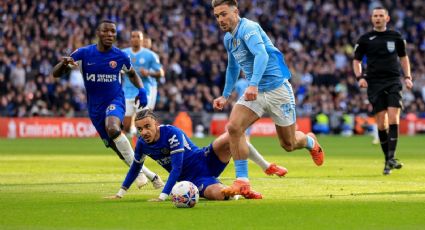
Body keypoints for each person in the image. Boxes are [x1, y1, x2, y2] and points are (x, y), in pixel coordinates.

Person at [211, 0, 325, 197]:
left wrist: (253, 84)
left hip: (277, 90)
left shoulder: (249, 28)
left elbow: (261, 55)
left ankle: (309, 142)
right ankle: (242, 181)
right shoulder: (228, 39)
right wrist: (225, 94)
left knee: (288, 144)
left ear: (235, 11)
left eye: (223, 14)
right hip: (255, 91)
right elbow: (232, 67)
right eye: (217, 16)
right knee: (234, 128)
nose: (220, 19)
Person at [52, 20, 163, 189]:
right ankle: (150, 175)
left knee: (113, 128)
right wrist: (63, 65)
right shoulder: (83, 53)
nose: (110, 34)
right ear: (98, 33)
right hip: (95, 109)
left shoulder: (120, 56)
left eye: (113, 32)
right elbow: (56, 73)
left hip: (115, 101)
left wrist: (141, 90)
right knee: (117, 148)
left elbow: (132, 74)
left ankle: (139, 174)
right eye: (106, 31)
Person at [106, 109, 287, 201]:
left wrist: (163, 196)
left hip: (205, 158)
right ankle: (239, 193)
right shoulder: (142, 145)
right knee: (217, 194)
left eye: (147, 127)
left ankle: (266, 166)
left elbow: (176, 168)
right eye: (139, 129)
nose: (144, 132)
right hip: (193, 180)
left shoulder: (171, 133)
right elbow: (135, 168)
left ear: (156, 124)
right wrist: (120, 193)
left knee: (234, 133)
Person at [353, 7, 413, 175]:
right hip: (374, 83)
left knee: (394, 117)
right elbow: (356, 61)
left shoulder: (396, 37)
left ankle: (392, 158)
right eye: (375, 16)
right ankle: (388, 160)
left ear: (387, 18)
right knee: (381, 123)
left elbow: (403, 58)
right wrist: (360, 77)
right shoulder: (365, 39)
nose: (378, 18)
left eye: (381, 16)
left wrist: (407, 76)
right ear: (372, 19)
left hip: (393, 81)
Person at [121, 31, 165, 188]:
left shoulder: (150, 55)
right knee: (126, 126)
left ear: (142, 39)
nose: (134, 39)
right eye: (132, 36)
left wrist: (150, 73)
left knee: (144, 125)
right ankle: (138, 145)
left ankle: (148, 149)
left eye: (137, 37)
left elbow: (160, 73)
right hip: (126, 93)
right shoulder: (124, 53)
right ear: (130, 39)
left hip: (143, 92)